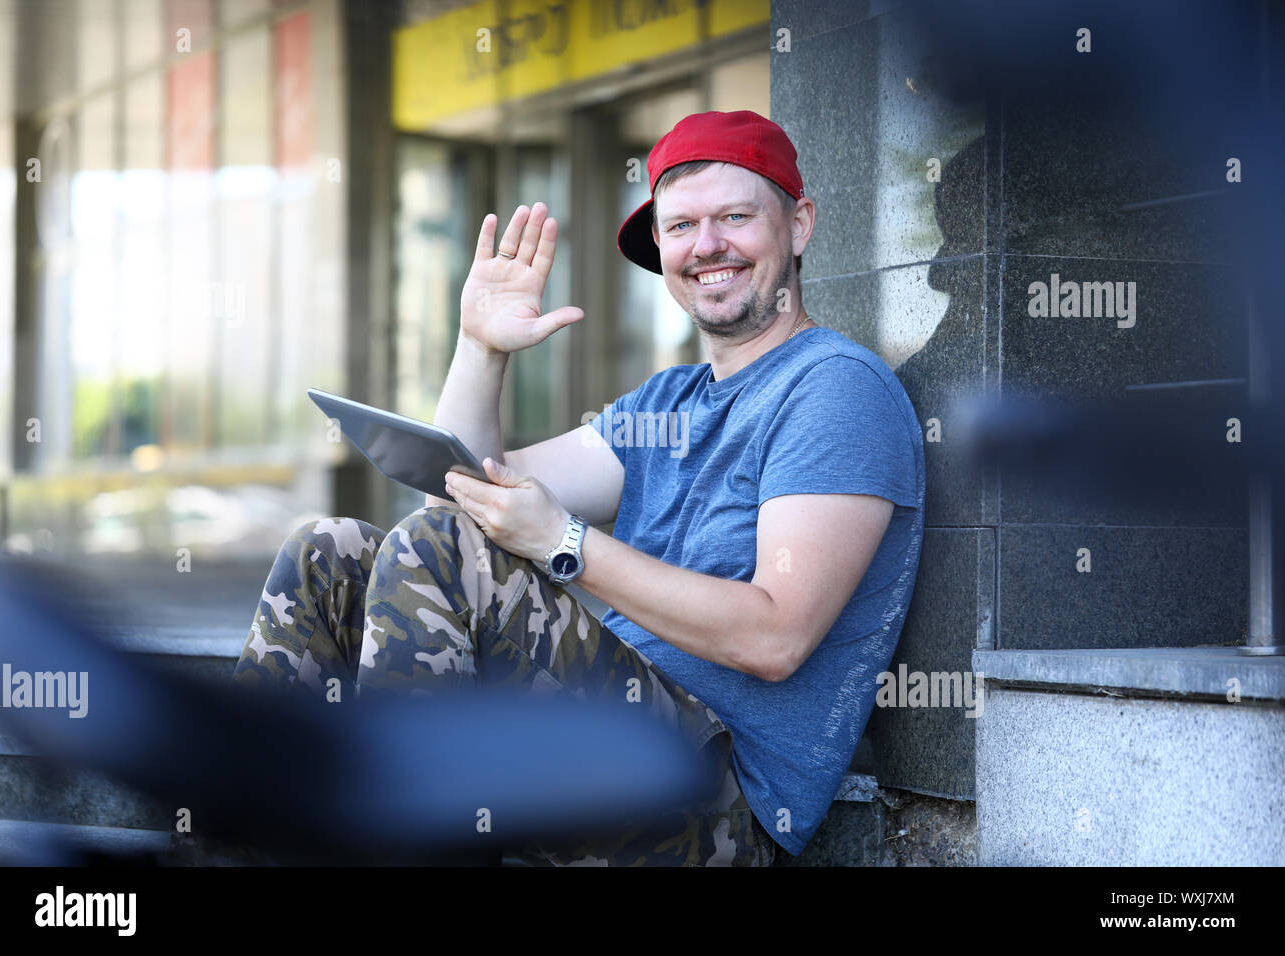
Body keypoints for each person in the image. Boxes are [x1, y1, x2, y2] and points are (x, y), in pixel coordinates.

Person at [232, 109, 925, 866]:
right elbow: (458, 506)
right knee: (325, 554)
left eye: (735, 216)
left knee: (439, 551)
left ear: (798, 225)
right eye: (683, 225)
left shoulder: (835, 389)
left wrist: (565, 543)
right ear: (661, 247)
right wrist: (481, 349)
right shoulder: (666, 404)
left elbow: (775, 638)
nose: (708, 246)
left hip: (713, 805)